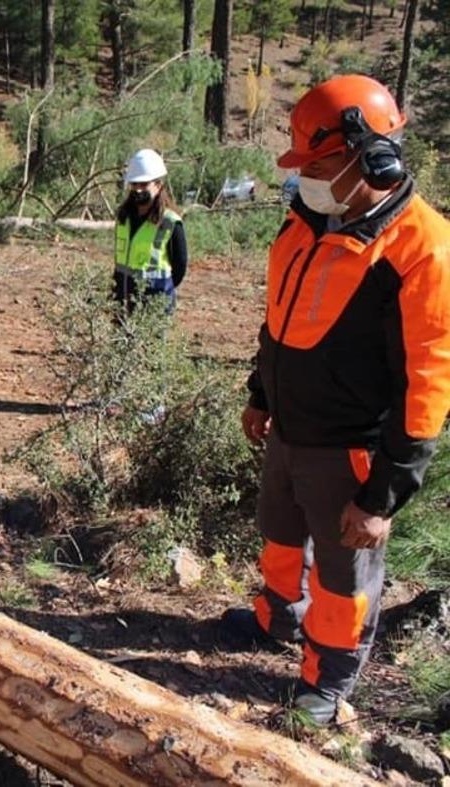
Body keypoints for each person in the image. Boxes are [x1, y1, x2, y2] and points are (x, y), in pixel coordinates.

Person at [226, 74, 450, 725]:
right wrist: (260, 393)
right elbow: (279, 320)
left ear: (371, 158)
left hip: (351, 448)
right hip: (289, 429)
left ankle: (328, 675)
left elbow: (428, 382)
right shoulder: (306, 223)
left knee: (343, 574)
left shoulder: (423, 249)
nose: (308, 178)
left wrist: (382, 495)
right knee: (279, 534)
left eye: (320, 166)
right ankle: (275, 617)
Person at [113, 148, 188, 313]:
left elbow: (179, 269)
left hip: (155, 307)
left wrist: (160, 291)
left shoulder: (170, 222)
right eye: (134, 184)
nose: (138, 189)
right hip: (123, 302)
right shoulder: (123, 219)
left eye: (144, 184)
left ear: (158, 185)